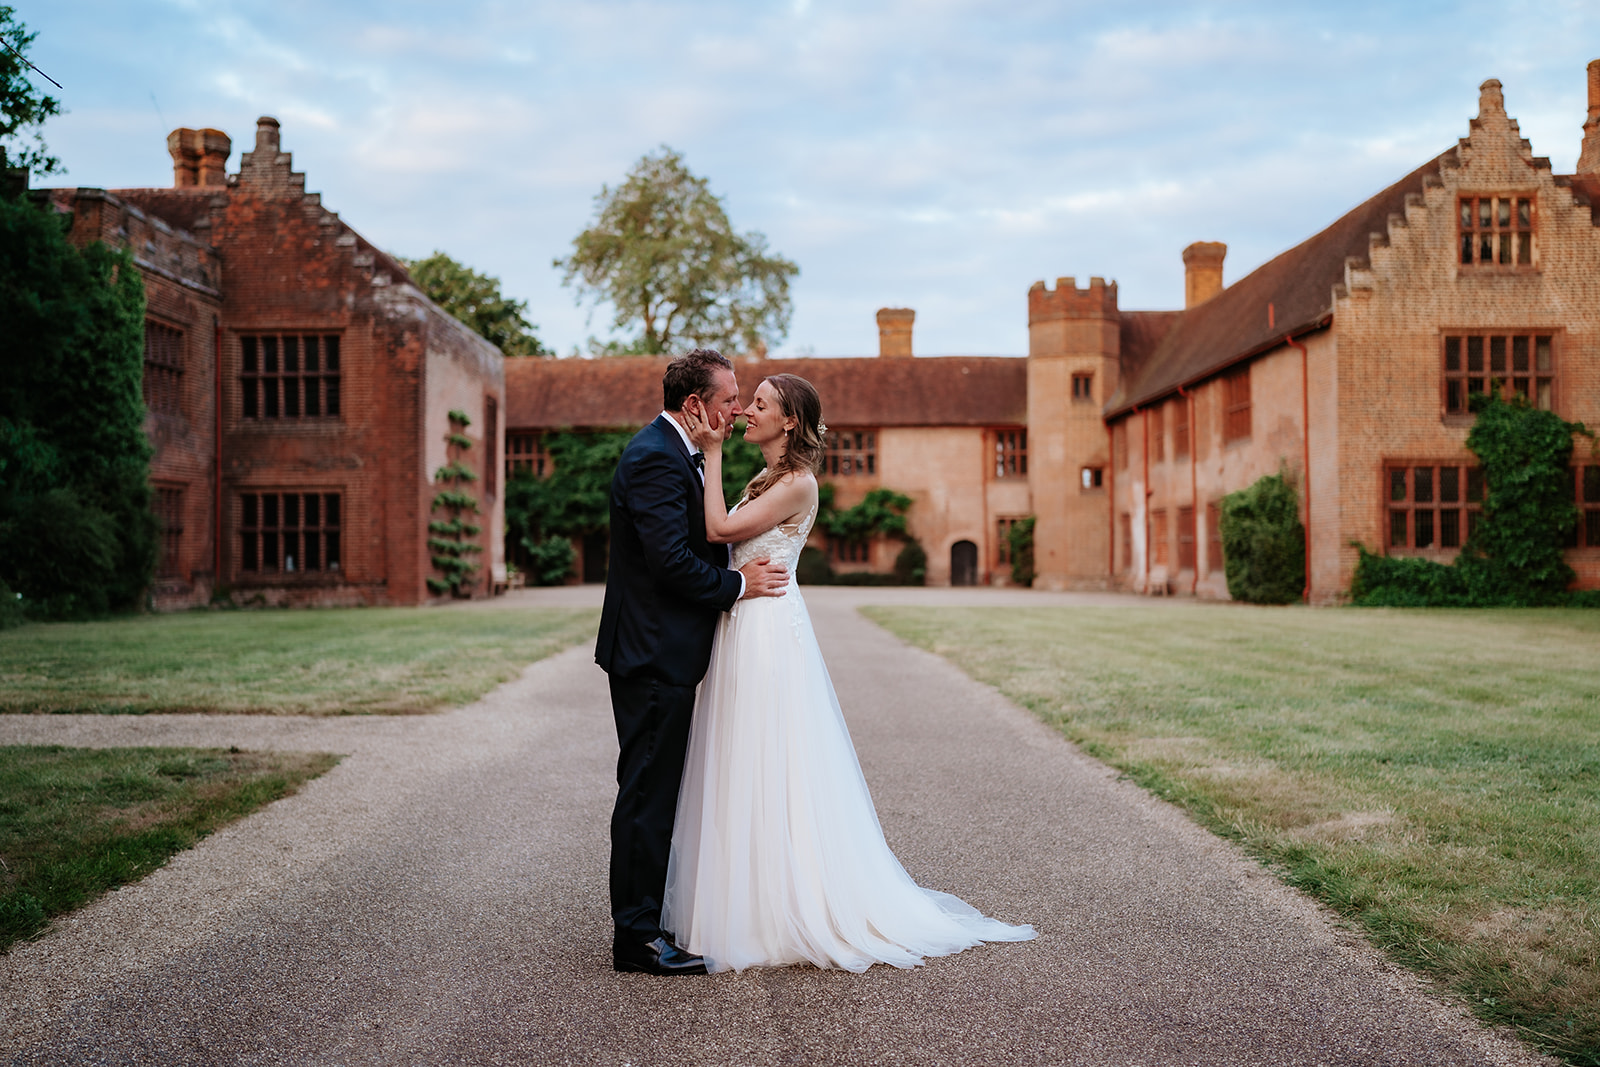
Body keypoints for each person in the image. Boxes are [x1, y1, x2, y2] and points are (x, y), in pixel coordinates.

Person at [664, 373, 1036, 972]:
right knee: (740, 755)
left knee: (770, 755)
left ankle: (780, 908)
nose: (745, 412)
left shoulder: (798, 483)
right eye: (747, 402)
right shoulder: (765, 478)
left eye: (759, 404)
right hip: (743, 620)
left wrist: (708, 452)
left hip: (767, 633)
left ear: (789, 422)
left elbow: (719, 532)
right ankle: (739, 898)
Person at [595, 348, 789, 976]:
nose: (737, 409)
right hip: (652, 654)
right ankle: (638, 940)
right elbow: (669, 563)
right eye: (730, 398)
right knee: (648, 793)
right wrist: (738, 588)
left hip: (662, 652)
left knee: (656, 788)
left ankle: (648, 921)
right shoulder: (654, 458)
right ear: (695, 405)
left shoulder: (676, 451)